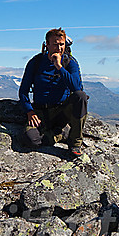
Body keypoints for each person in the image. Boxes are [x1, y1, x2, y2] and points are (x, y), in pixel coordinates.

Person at [18, 28, 88, 158]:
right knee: (30, 140)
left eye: (61, 44)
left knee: (80, 97)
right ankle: (58, 135)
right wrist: (29, 111)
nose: (59, 47)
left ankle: (75, 143)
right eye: (55, 44)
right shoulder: (36, 62)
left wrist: (59, 66)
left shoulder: (70, 62)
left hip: (61, 112)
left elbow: (77, 87)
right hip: (40, 112)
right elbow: (23, 91)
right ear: (47, 44)